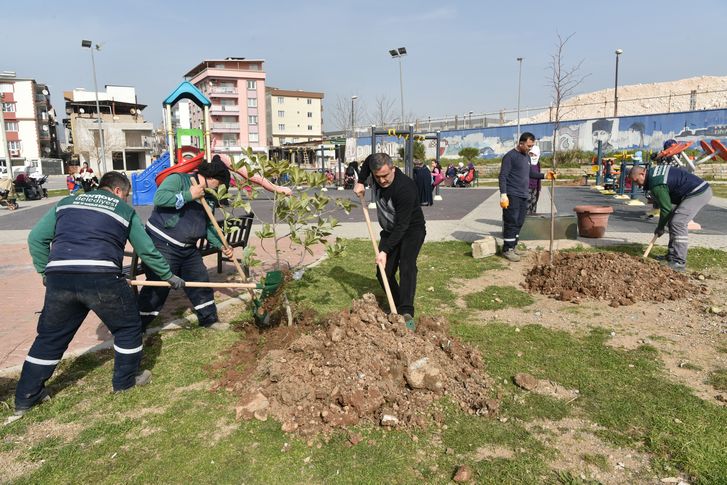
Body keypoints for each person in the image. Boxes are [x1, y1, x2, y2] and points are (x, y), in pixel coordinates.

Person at [14, 172, 183, 416]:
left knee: (50, 338)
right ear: (117, 191)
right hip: (101, 277)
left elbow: (36, 238)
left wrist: (45, 271)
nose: (125, 200)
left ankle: (25, 398)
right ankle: (125, 382)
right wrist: (169, 276)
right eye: (125, 196)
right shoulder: (123, 211)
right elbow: (146, 249)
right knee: (127, 328)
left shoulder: (66, 203)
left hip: (60, 278)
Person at [137, 155, 234, 331]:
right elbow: (160, 198)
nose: (219, 189)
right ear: (212, 178)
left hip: (188, 249)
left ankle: (209, 320)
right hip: (162, 244)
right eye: (220, 185)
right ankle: (136, 328)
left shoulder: (209, 196)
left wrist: (222, 245)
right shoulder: (178, 180)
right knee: (158, 286)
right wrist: (189, 195)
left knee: (201, 281)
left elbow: (208, 227)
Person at [353, 153, 426, 324]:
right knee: (382, 271)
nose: (382, 181)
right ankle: (396, 303)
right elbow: (368, 162)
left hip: (411, 230)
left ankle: (406, 311)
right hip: (389, 230)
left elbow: (402, 226)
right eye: (377, 177)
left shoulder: (405, 188)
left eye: (385, 175)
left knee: (407, 265)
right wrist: (361, 181)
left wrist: (385, 250)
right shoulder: (375, 170)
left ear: (393, 168)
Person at [628, 165, 712, 272]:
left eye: (636, 181)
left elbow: (666, 209)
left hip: (698, 192)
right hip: (692, 191)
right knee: (673, 220)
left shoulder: (656, 183)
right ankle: (671, 255)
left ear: (642, 174)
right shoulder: (654, 174)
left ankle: (679, 261)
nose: (637, 185)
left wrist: (660, 228)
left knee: (678, 222)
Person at [498, 132, 555, 262]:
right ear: (521, 143)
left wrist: (545, 176)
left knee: (520, 221)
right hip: (512, 194)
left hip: (523, 194)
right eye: (528, 146)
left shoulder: (526, 157)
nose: (530, 148)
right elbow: (503, 176)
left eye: (532, 146)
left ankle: (514, 246)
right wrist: (503, 195)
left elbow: (529, 173)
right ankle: (507, 249)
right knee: (511, 221)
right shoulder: (510, 156)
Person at [527, 145, 542, 214]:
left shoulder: (538, 164)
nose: (533, 156)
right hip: (527, 187)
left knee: (534, 203)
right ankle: (526, 220)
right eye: (531, 154)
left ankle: (533, 218)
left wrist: (539, 187)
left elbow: (538, 175)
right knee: (527, 204)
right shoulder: (526, 162)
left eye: (534, 154)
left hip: (535, 187)